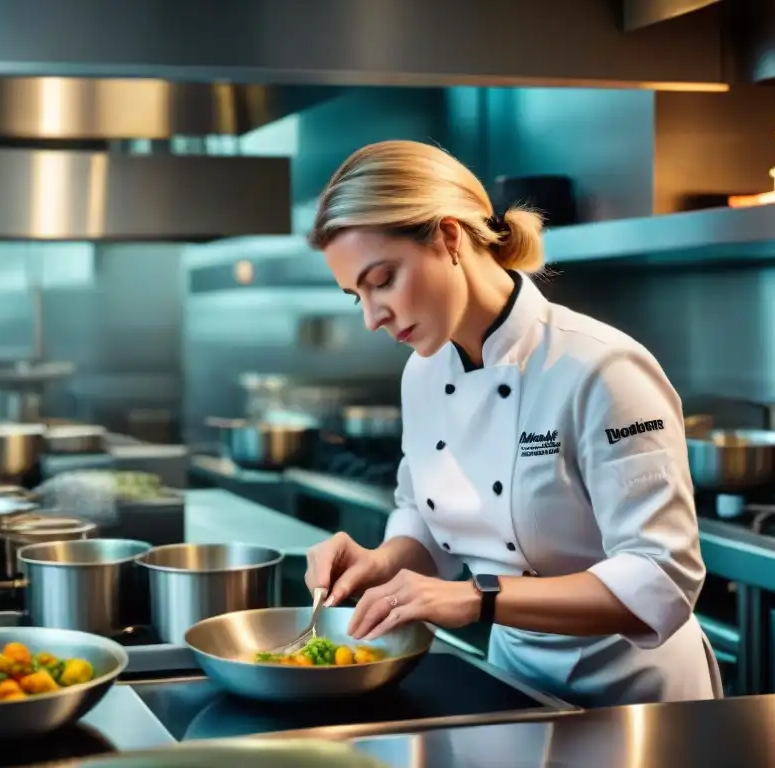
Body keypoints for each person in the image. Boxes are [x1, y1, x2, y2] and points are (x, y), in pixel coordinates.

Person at [303, 139, 722, 707]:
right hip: (513, 680)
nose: (374, 317)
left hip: (636, 694)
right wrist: (380, 564)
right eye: (358, 296)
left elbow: (661, 579)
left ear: (450, 238)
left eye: (383, 280)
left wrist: (483, 599)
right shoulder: (422, 375)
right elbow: (428, 521)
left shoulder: (600, 368)